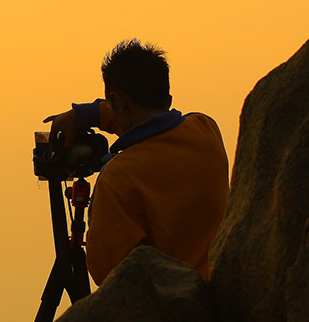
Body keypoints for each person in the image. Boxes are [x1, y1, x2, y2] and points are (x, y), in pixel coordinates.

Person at [44, 39, 229, 285]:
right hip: (220, 294)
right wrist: (86, 114)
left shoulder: (118, 179)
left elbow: (107, 275)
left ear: (118, 102)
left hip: (171, 314)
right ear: (168, 97)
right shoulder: (207, 131)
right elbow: (151, 123)